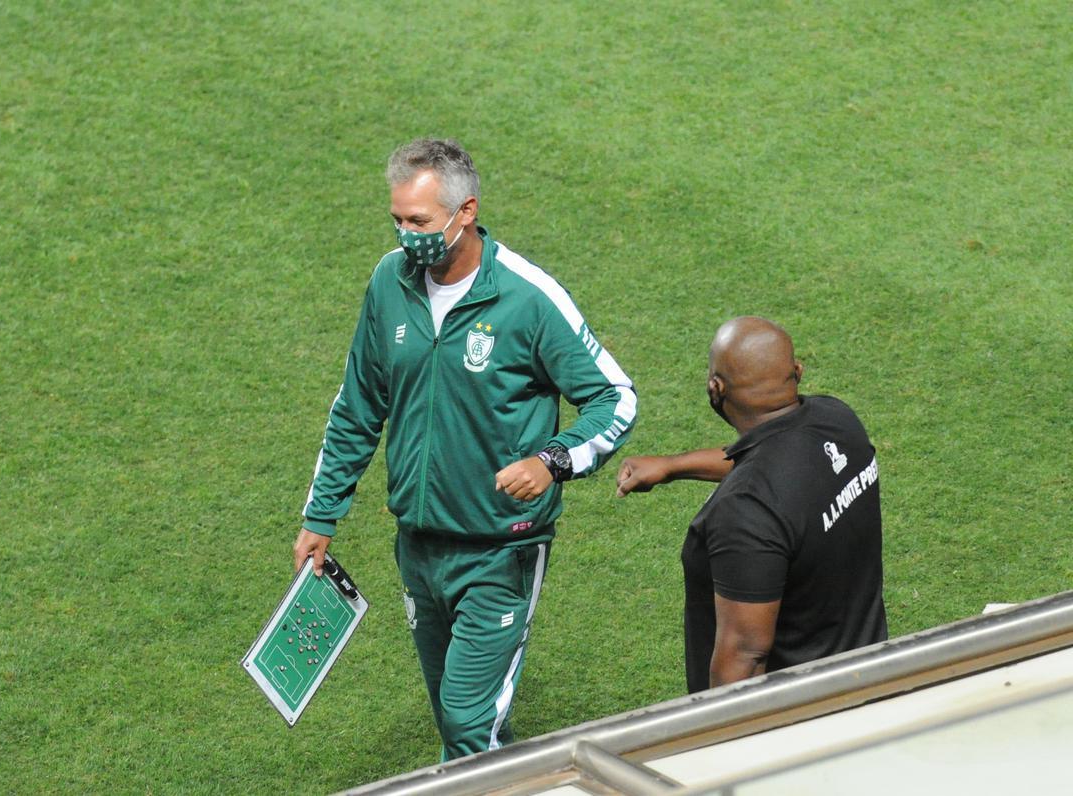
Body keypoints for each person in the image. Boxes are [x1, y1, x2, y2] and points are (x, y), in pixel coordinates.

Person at [294, 138, 637, 759]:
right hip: (419, 547)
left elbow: (615, 398)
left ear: (466, 212)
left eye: (418, 222)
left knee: (468, 723)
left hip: (501, 550)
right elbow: (357, 407)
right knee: (456, 718)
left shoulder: (528, 298)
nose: (406, 237)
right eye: (397, 220)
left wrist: (551, 461)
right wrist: (321, 516)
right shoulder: (389, 284)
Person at [616, 316, 886, 692]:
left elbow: (744, 658)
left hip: (802, 718)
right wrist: (673, 466)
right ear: (797, 371)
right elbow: (773, 459)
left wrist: (721, 744)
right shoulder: (838, 421)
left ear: (716, 387)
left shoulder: (744, 514)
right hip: (866, 678)